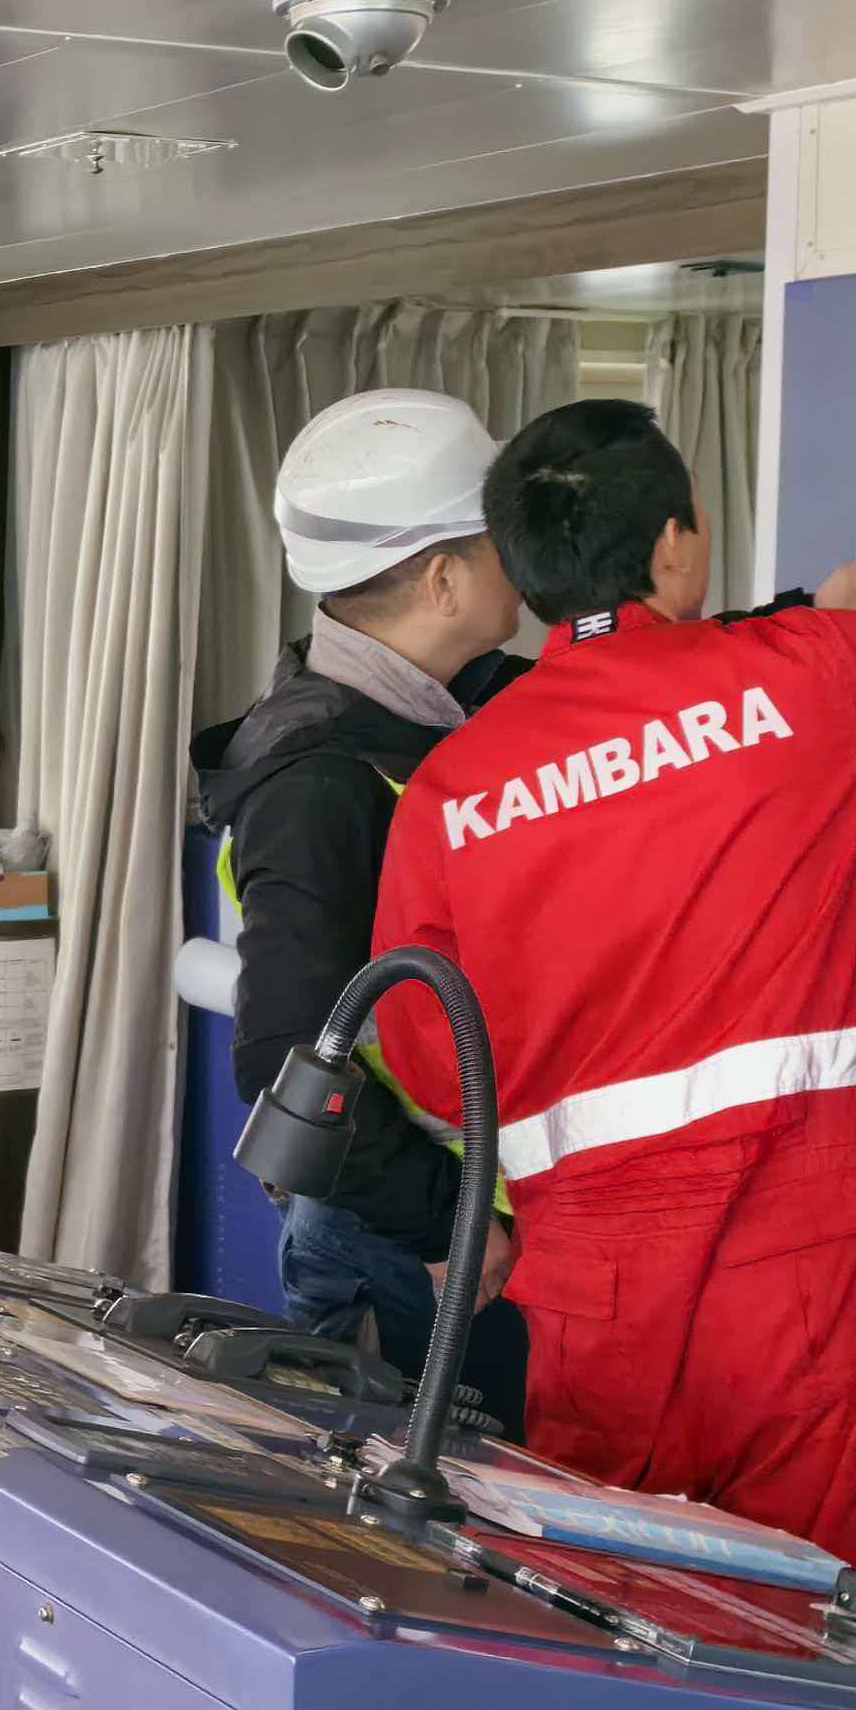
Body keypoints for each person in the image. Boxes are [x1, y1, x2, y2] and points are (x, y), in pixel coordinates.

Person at [370, 400, 856, 1586]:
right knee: (824, 1614)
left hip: (591, 1288)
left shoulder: (452, 789)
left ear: (525, 576)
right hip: (801, 1252)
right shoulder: (806, 677)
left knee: (616, 1605)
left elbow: (434, 1064)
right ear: (674, 546)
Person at [192, 393, 535, 1411]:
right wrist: (444, 1223)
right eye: (500, 542)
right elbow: (282, 1054)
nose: (524, 563)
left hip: (458, 1213)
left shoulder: (453, 702)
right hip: (408, 1235)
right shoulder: (320, 778)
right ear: (442, 579)